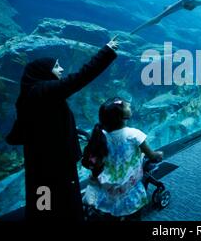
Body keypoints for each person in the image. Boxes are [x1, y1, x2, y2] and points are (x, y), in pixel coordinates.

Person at [12, 35, 120, 221]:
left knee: (44, 195)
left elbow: (45, 123)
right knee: (55, 195)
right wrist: (107, 51)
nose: (61, 69)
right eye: (56, 66)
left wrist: (72, 131)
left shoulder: (33, 94)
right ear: (43, 72)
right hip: (52, 163)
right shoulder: (41, 91)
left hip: (44, 160)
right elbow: (79, 78)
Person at [83, 97, 163, 220]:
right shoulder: (134, 135)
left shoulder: (101, 135)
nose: (130, 105)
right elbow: (151, 155)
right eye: (127, 106)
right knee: (134, 215)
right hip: (128, 186)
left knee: (110, 213)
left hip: (108, 186)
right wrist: (158, 155)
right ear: (121, 117)